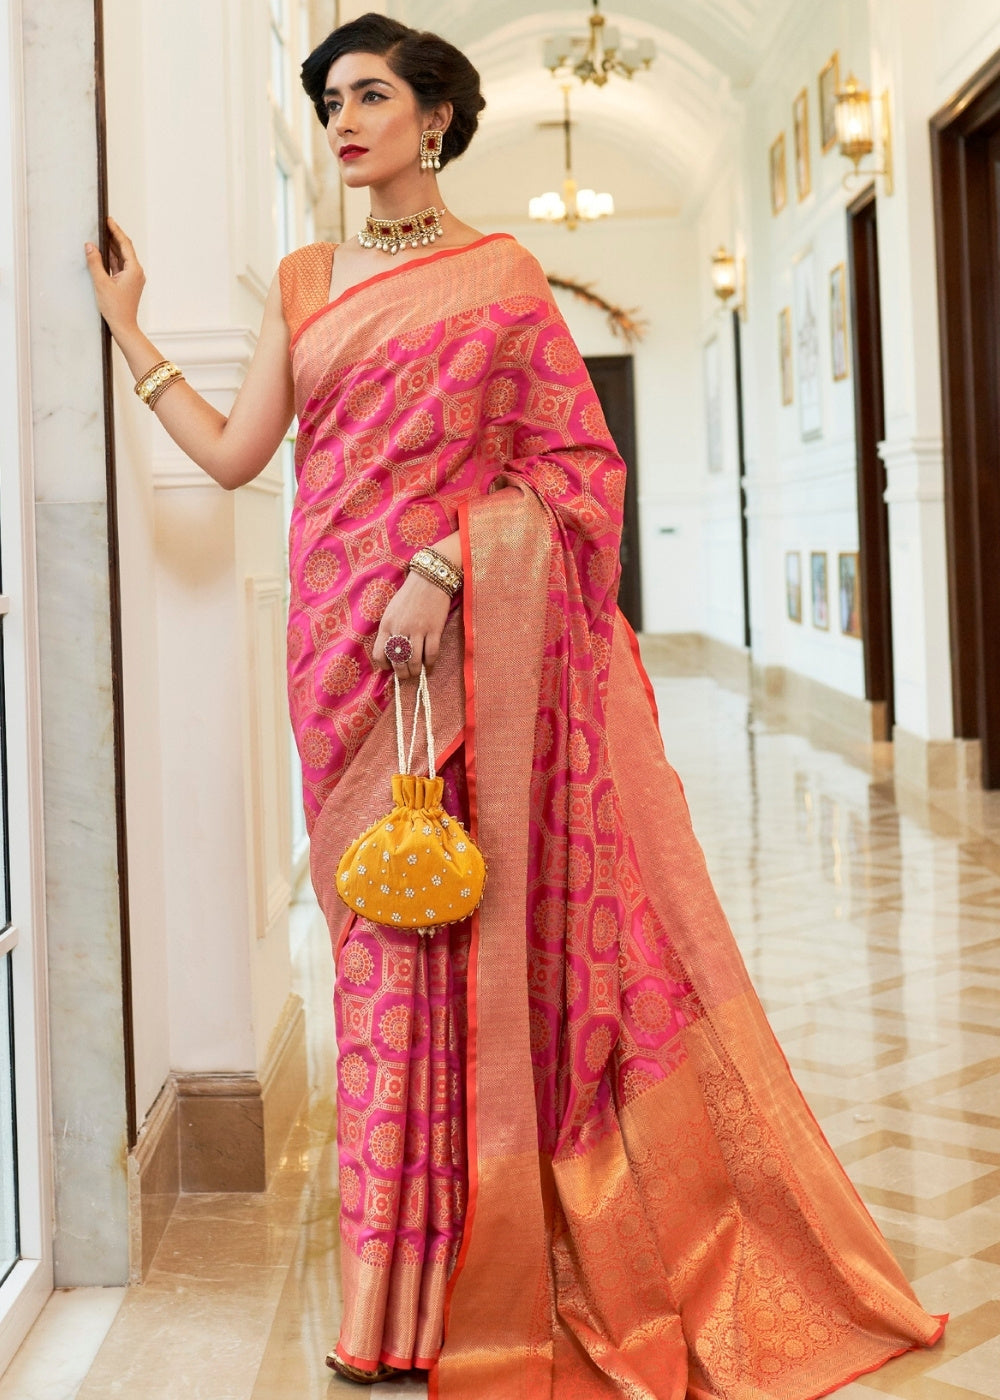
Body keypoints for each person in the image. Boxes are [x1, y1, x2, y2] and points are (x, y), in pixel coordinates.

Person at [86, 13, 945, 1397]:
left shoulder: (503, 278)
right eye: (327, 100)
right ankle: (391, 1294)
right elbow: (242, 455)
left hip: (466, 655)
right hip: (338, 666)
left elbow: (578, 472)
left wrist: (442, 565)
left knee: (465, 951)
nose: (344, 121)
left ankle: (472, 1280)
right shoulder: (307, 280)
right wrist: (134, 339)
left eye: (370, 95)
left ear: (435, 117)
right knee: (376, 959)